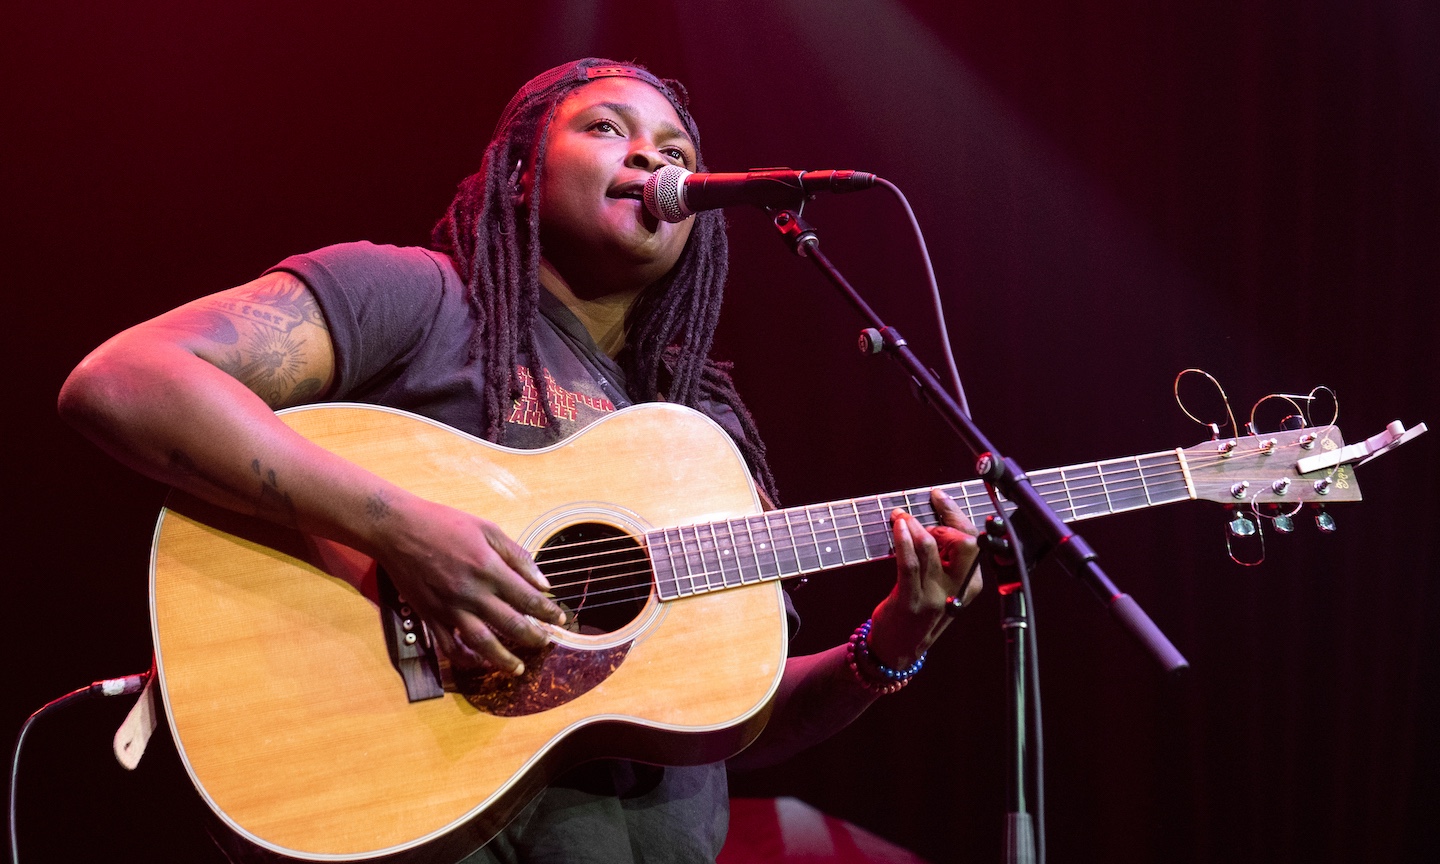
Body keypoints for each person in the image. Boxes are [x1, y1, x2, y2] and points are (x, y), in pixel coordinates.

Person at [58, 58, 982, 863]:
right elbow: (126, 380)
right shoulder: (419, 300)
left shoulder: (696, 432)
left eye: (678, 152)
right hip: (408, 814)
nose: (655, 160)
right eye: (607, 128)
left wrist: (889, 645)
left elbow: (721, 713)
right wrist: (405, 533)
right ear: (516, 174)